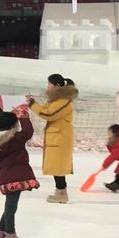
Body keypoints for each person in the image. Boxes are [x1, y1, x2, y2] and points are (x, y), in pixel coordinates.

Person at [0, 111, 40, 238]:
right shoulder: (15, 138)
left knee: (10, 203)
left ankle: (0, 233)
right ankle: (10, 235)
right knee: (11, 205)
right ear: (13, 125)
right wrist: (24, 117)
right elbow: (28, 132)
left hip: (5, 175)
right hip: (16, 174)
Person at [28, 74, 78, 204]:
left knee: (58, 166)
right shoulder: (57, 100)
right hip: (56, 136)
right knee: (57, 165)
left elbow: (49, 114)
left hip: (60, 137)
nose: (47, 86)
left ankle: (62, 193)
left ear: (57, 86)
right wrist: (33, 103)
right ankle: (60, 191)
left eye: (49, 84)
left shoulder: (64, 101)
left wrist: (33, 105)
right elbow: (46, 109)